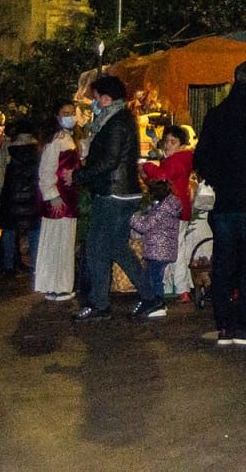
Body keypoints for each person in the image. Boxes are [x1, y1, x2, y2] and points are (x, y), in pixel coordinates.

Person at [192, 60, 246, 346]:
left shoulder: (217, 115)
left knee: (224, 263)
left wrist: (219, 179)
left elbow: (202, 158)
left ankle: (224, 325)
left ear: (233, 80)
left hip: (226, 201)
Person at [76, 75, 164, 321]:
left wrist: (79, 175)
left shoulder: (116, 122)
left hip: (113, 193)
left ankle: (99, 304)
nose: (93, 103)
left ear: (106, 98)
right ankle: (150, 297)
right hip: (122, 192)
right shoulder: (119, 120)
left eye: (95, 98)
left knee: (96, 248)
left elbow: (109, 160)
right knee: (116, 247)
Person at [34, 103, 81, 302]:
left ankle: (58, 285)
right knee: (58, 244)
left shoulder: (68, 139)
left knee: (62, 244)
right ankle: (57, 285)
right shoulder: (57, 141)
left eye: (72, 113)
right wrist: (52, 196)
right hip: (59, 201)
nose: (69, 117)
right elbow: (46, 170)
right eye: (65, 113)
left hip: (67, 200)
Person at [128, 180, 181, 319]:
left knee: (154, 278)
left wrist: (131, 217)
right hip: (162, 248)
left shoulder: (162, 208)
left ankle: (158, 304)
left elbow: (146, 226)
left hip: (158, 249)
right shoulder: (168, 206)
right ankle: (157, 303)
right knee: (154, 277)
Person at [0, 121, 42, 278]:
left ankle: (8, 267)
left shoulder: (8, 150)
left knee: (9, 231)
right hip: (33, 197)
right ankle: (36, 266)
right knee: (34, 231)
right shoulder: (38, 151)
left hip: (11, 197)